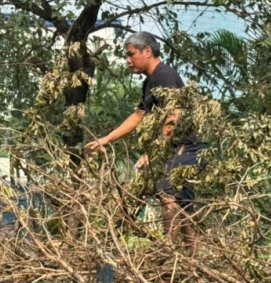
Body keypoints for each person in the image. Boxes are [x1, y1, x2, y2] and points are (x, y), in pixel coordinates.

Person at [83, 31, 202, 235]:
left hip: (185, 146)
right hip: (178, 147)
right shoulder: (151, 81)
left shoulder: (163, 76)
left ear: (147, 51)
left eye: (131, 54)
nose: (128, 60)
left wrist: (156, 150)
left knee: (168, 196)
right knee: (182, 204)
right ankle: (189, 259)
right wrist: (106, 139)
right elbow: (139, 116)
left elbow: (174, 114)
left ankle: (168, 253)